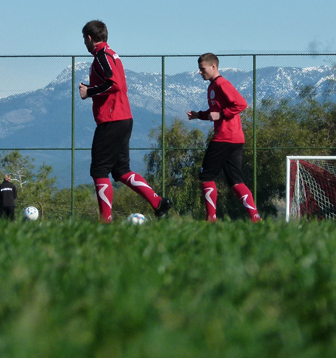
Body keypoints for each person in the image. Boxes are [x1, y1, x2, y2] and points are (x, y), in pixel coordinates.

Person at [79, 20, 172, 223]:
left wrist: (89, 91)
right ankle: (157, 202)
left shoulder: (102, 55)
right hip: (123, 118)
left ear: (89, 38)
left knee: (99, 170)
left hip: (111, 120)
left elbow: (114, 84)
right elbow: (113, 83)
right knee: (121, 171)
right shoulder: (111, 54)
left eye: (83, 40)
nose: (84, 44)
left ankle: (106, 221)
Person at [187, 53, 261, 223]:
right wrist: (199, 115)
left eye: (202, 68)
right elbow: (215, 114)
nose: (200, 72)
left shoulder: (222, 83)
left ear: (213, 67)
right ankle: (255, 218)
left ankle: (211, 219)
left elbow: (241, 104)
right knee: (235, 181)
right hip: (235, 139)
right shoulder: (212, 86)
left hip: (224, 138)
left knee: (206, 176)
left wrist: (221, 114)